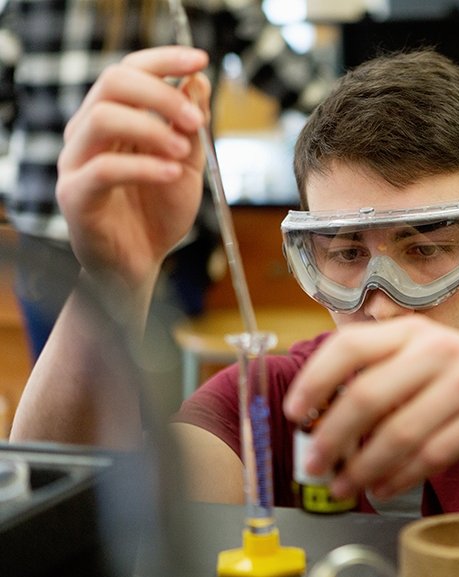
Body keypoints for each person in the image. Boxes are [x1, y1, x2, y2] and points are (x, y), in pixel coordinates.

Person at [10, 46, 459, 539]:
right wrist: (115, 271)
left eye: (425, 250)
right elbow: (71, 515)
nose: (379, 300)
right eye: (343, 253)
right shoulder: (276, 401)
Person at [0, 0, 327, 360]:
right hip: (150, 243)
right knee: (144, 405)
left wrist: (23, 183)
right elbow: (307, 88)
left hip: (101, 241)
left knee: (81, 404)